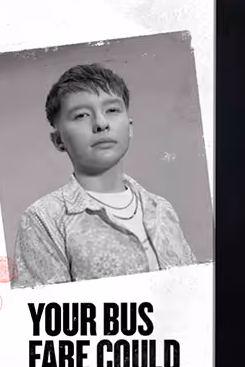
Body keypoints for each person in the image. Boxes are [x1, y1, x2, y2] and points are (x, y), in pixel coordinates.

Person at [13, 63, 195, 288]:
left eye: (112, 110)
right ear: (58, 140)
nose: (101, 123)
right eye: (81, 115)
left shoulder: (161, 208)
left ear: (129, 128)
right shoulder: (43, 219)